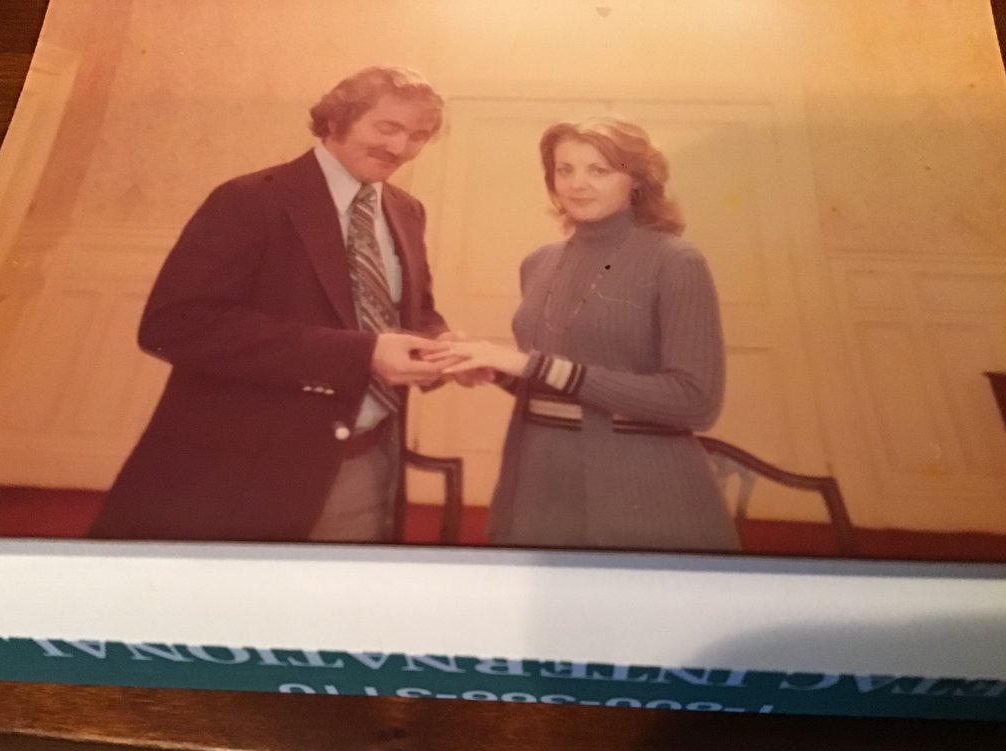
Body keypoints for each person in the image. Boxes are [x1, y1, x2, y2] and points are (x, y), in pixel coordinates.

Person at [89, 66, 465, 543]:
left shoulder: (407, 210)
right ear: (338, 119)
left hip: (371, 461)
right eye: (387, 127)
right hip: (242, 475)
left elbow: (414, 311)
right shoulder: (249, 199)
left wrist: (440, 343)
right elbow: (174, 326)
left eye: (418, 136)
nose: (399, 148)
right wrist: (363, 353)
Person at [438, 116, 740, 551]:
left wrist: (528, 364)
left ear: (637, 181)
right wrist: (489, 367)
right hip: (539, 480)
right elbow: (555, 384)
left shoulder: (675, 262)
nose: (577, 184)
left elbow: (696, 402)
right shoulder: (538, 262)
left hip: (641, 486)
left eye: (599, 170)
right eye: (565, 170)